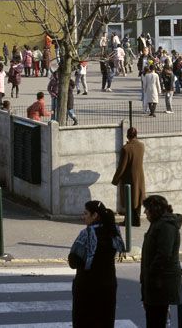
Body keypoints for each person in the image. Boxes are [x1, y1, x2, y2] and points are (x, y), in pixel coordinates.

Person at [68, 200, 124, 328]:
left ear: (95, 216)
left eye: (86, 213)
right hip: (108, 286)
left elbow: (73, 261)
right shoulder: (114, 232)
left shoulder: (86, 235)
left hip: (87, 288)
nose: (83, 216)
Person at [141, 195, 182, 328]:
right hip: (155, 283)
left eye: (146, 209)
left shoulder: (166, 226)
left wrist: (151, 275)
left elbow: (163, 255)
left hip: (160, 284)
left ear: (154, 209)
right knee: (154, 320)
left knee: (157, 321)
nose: (145, 212)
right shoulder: (158, 223)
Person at [111, 127, 146, 227]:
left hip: (129, 177)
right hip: (140, 176)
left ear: (127, 136)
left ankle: (128, 221)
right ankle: (136, 220)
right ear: (136, 135)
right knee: (137, 199)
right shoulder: (141, 146)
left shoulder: (126, 149)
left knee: (129, 199)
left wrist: (115, 180)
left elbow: (122, 166)